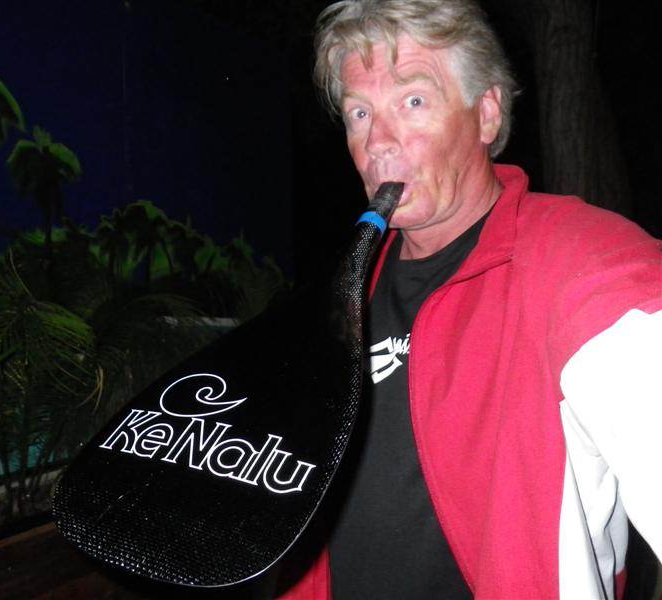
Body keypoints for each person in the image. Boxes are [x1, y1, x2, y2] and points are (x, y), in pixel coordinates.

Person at [277, 0, 662, 598]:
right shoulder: (343, 294)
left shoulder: (581, 264)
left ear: (486, 114)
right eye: (359, 112)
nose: (378, 142)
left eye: (412, 101)